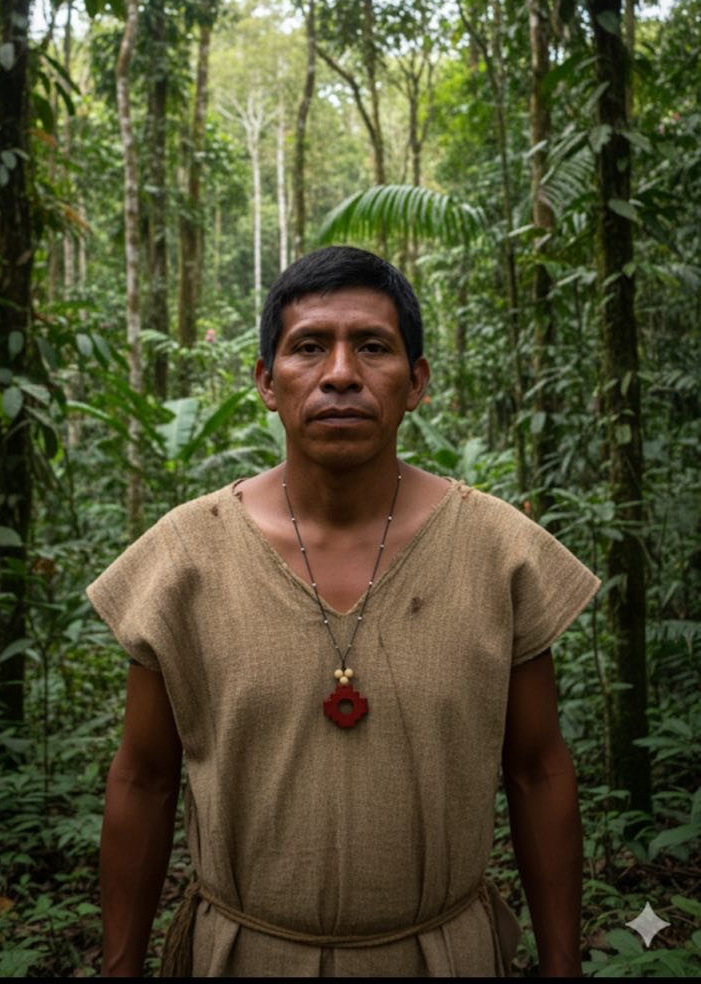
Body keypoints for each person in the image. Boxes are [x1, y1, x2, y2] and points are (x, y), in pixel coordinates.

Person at [88, 245, 600, 978]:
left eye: (371, 347)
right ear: (266, 382)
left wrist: (561, 964)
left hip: (443, 956)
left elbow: (538, 771)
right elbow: (142, 779)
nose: (339, 374)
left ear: (416, 381)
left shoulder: (497, 552)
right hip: (241, 956)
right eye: (307, 348)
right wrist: (118, 968)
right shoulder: (185, 557)